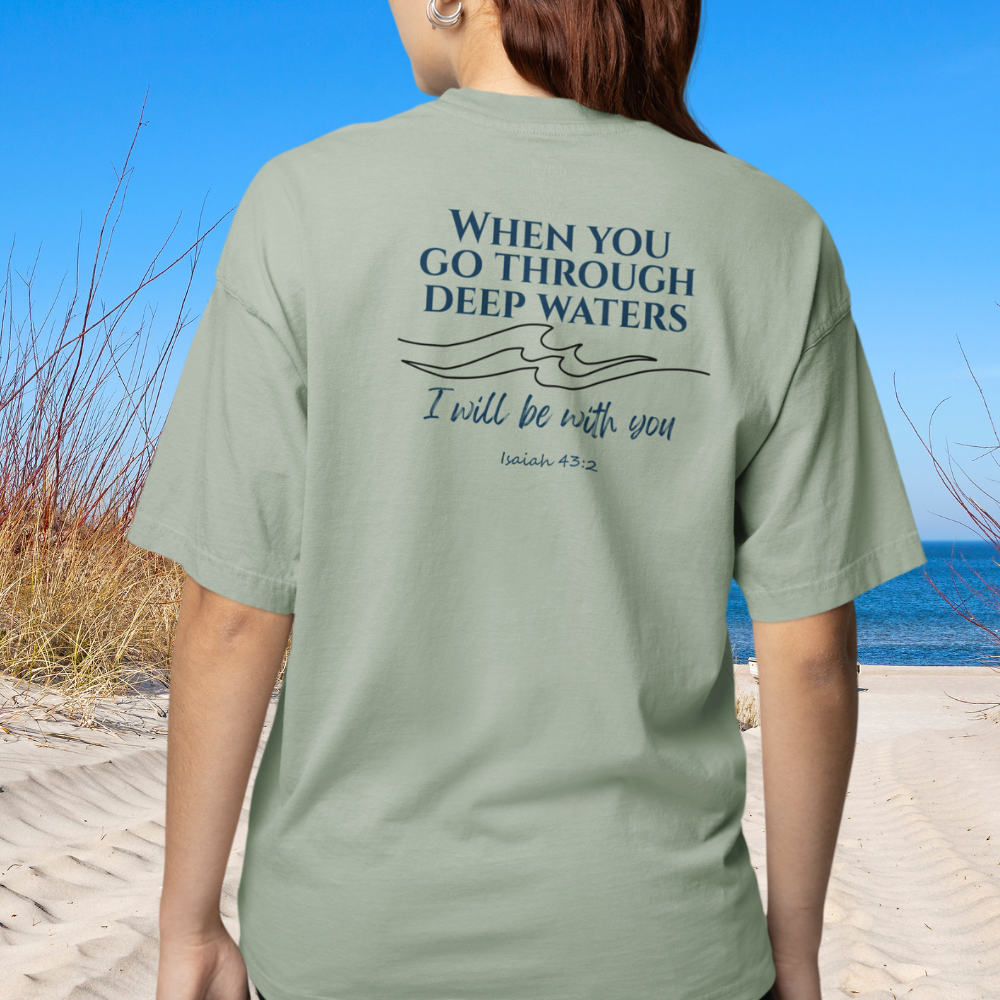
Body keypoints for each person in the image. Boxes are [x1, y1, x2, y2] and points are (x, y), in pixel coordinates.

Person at [128, 2, 926, 999]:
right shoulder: (778, 236)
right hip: (659, 944)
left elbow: (234, 614)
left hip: (354, 942)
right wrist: (794, 951)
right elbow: (810, 654)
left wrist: (189, 923)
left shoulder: (304, 201)